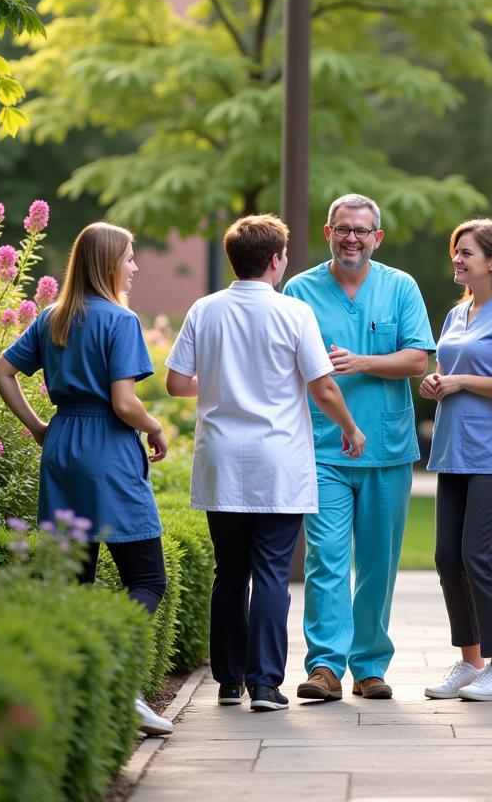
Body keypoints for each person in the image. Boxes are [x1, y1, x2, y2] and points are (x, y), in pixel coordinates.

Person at [164, 215, 366, 712]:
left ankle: (229, 683)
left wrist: (217, 385)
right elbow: (321, 385)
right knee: (273, 572)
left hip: (221, 461)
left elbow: (175, 383)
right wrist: (350, 427)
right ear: (276, 261)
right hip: (277, 462)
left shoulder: (204, 310)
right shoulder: (293, 314)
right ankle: (265, 685)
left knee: (229, 573)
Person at [0, 222, 174, 736]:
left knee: (73, 578)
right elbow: (123, 402)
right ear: (108, 263)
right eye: (130, 258)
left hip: (63, 444)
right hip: (108, 451)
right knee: (147, 578)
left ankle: (71, 697)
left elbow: (0, 371)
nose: (134, 267)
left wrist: (37, 426)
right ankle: (120, 682)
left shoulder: (52, 318)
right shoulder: (120, 320)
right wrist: (155, 425)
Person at [284, 193, 434, 702]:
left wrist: (363, 362)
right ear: (328, 232)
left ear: (377, 237)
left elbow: (418, 360)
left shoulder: (401, 287)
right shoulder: (300, 289)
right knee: (325, 559)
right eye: (343, 229)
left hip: (388, 448)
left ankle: (369, 665)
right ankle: (324, 667)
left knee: (377, 562)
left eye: (361, 230)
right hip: (322, 447)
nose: (352, 238)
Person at [419, 219, 492, 702]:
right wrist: (436, 381)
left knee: (479, 556)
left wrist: (462, 382)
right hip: (456, 451)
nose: (457, 258)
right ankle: (470, 663)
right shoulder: (457, 314)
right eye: (455, 251)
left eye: (466, 252)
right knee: (448, 557)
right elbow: (450, 371)